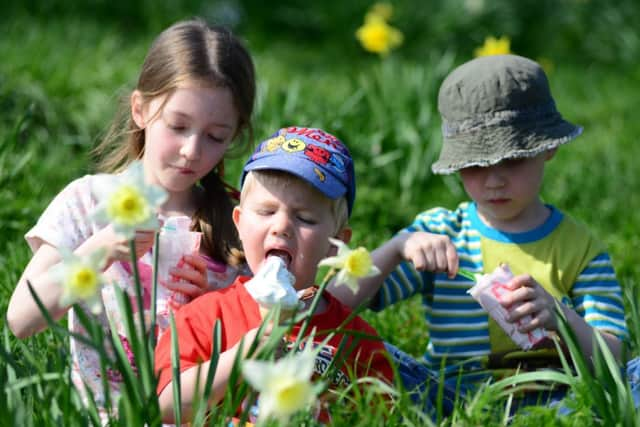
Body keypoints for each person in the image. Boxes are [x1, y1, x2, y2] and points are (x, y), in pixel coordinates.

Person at [328, 54, 629, 413]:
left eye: (513, 160)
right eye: (475, 165)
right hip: (448, 400)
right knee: (345, 346)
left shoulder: (580, 248)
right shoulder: (441, 233)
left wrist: (560, 318)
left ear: (549, 147)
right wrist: (396, 248)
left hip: (556, 403)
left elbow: (615, 358)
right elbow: (334, 307)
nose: (494, 180)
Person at [6, 18, 256, 418]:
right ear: (140, 109)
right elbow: (22, 319)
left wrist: (215, 303)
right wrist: (98, 250)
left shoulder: (236, 222)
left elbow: (260, 341)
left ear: (235, 135)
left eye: (215, 136)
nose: (192, 150)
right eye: (178, 126)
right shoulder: (88, 202)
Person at [154, 126, 394, 424]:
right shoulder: (205, 317)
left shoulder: (354, 339)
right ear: (239, 224)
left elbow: (385, 416)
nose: (282, 226)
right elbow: (166, 404)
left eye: (304, 218)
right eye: (266, 212)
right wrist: (243, 355)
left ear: (337, 244)